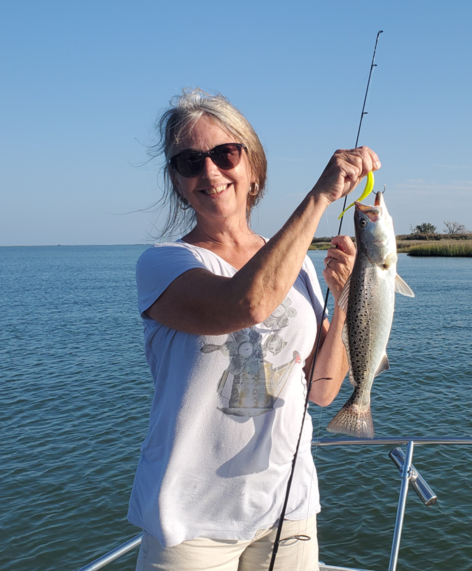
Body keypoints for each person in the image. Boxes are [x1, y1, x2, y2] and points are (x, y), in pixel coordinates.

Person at [129, 88, 380, 571]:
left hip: (288, 508)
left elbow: (323, 390)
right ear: (178, 183)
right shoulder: (164, 265)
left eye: (225, 153)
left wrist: (348, 299)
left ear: (253, 167)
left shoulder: (300, 267)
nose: (210, 172)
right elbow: (247, 303)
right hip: (191, 523)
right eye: (189, 161)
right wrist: (321, 196)